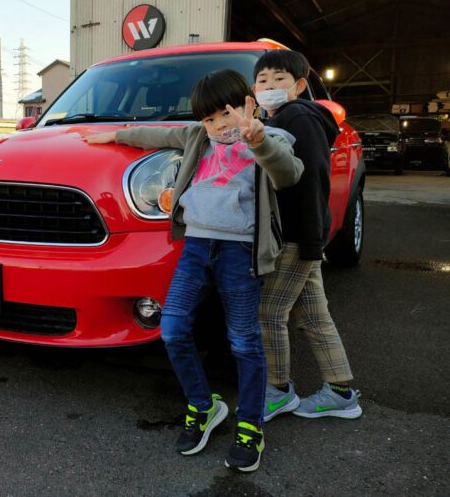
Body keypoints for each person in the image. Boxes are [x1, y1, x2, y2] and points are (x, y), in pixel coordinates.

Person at [87, 70, 303, 473]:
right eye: (208, 119)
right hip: (196, 246)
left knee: (243, 341)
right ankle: (204, 407)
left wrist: (257, 140)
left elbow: (289, 174)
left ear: (248, 106)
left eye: (225, 114)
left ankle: (250, 425)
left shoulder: (270, 139)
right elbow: (158, 136)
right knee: (172, 328)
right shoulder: (197, 138)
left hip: (241, 253)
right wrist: (115, 136)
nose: (218, 126)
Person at [252, 49, 363, 421]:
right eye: (263, 80)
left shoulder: (296, 116)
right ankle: (340, 392)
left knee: (269, 314)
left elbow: (313, 178)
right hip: (303, 234)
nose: (270, 86)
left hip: (296, 235)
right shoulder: (279, 118)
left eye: (279, 80)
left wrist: (310, 240)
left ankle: (279, 391)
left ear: (299, 85)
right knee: (315, 316)